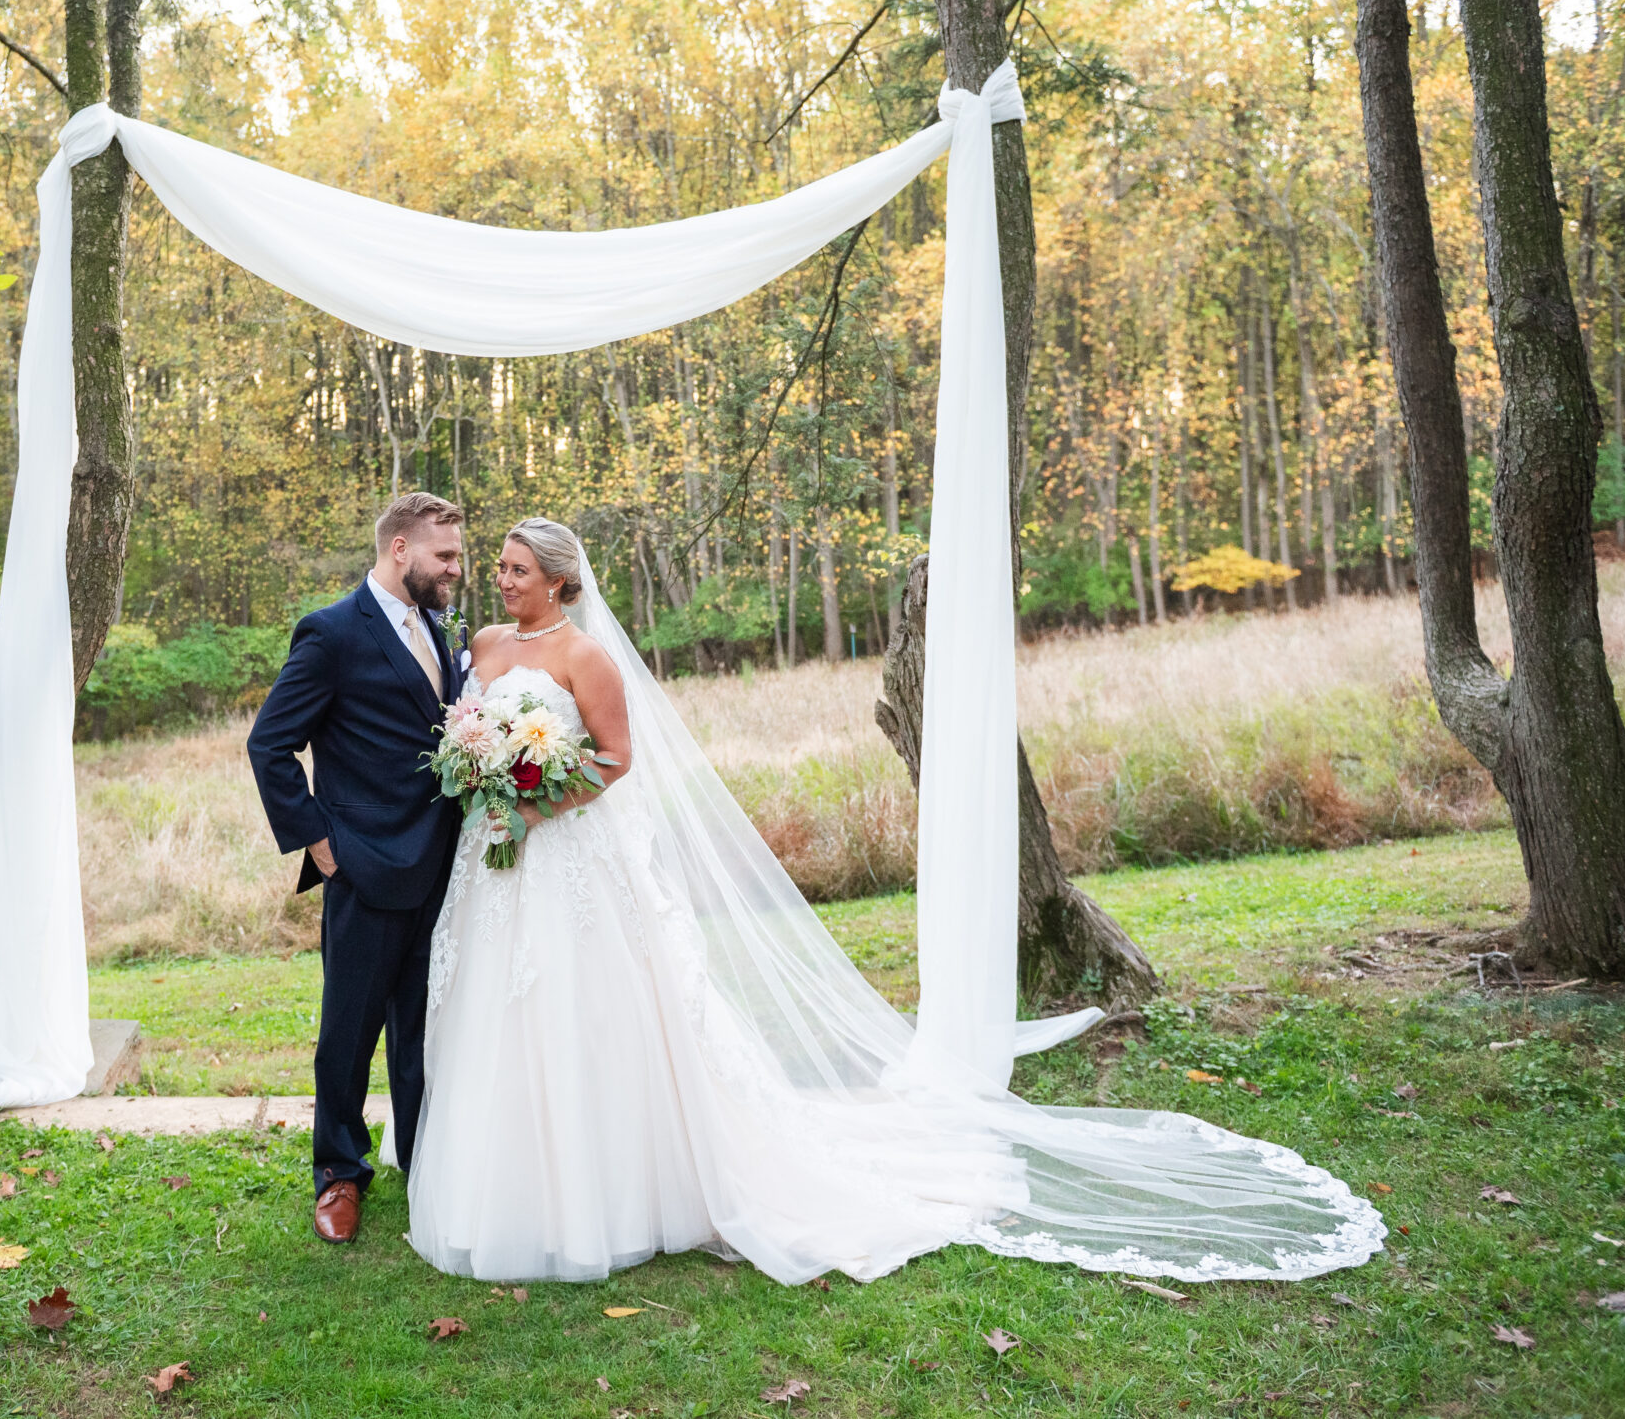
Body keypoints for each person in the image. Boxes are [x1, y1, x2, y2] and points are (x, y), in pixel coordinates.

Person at [405, 516, 1386, 1287]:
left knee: (594, 1015)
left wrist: (538, 798)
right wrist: (483, 772)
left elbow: (615, 761)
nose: (502, 579)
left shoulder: (587, 659)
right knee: (507, 1015)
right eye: (498, 565)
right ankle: (508, 1194)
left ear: (563, 582)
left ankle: (611, 1197)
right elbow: (468, 727)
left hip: (570, 855)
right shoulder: (484, 643)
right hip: (500, 864)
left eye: (519, 568)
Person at [246, 492, 468, 1247]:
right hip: (363, 868)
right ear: (399, 549)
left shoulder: (440, 628)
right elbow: (269, 744)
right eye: (445, 557)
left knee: (424, 1029)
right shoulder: (333, 632)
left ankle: (423, 1163)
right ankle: (340, 1171)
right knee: (348, 1031)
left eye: (458, 558)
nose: (455, 571)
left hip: (441, 865)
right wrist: (318, 841)